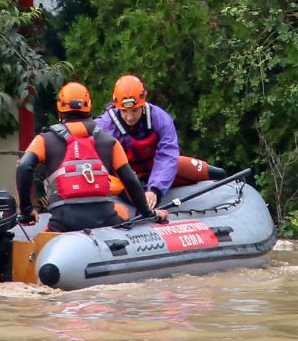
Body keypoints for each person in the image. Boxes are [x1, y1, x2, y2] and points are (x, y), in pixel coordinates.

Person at [16, 82, 168, 232]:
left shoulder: (44, 140)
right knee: (122, 211)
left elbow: (24, 167)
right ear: (88, 107)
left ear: (60, 109)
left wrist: (27, 210)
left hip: (64, 221)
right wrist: (149, 214)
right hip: (105, 218)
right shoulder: (109, 141)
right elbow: (130, 180)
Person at [96, 74, 226, 210]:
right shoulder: (105, 125)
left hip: (157, 166)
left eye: (134, 110)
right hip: (126, 175)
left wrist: (155, 190)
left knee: (216, 173)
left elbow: (168, 155)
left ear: (143, 103)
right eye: (124, 111)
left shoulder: (160, 118)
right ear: (117, 107)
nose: (129, 117)